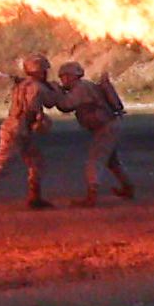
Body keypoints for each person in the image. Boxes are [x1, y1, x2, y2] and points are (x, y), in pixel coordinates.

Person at [0, 54, 58, 210]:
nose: (46, 73)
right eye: (44, 71)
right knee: (3, 164)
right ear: (38, 71)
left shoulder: (23, 84)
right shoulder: (37, 87)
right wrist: (54, 89)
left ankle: (34, 198)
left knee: (36, 162)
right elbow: (50, 102)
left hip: (19, 127)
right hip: (17, 128)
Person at [50, 58, 134, 201]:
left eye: (63, 77)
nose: (63, 80)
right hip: (109, 125)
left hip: (106, 126)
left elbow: (65, 105)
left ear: (70, 76)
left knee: (95, 160)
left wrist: (56, 91)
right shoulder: (84, 86)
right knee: (111, 161)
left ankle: (92, 194)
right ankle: (127, 187)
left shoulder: (81, 88)